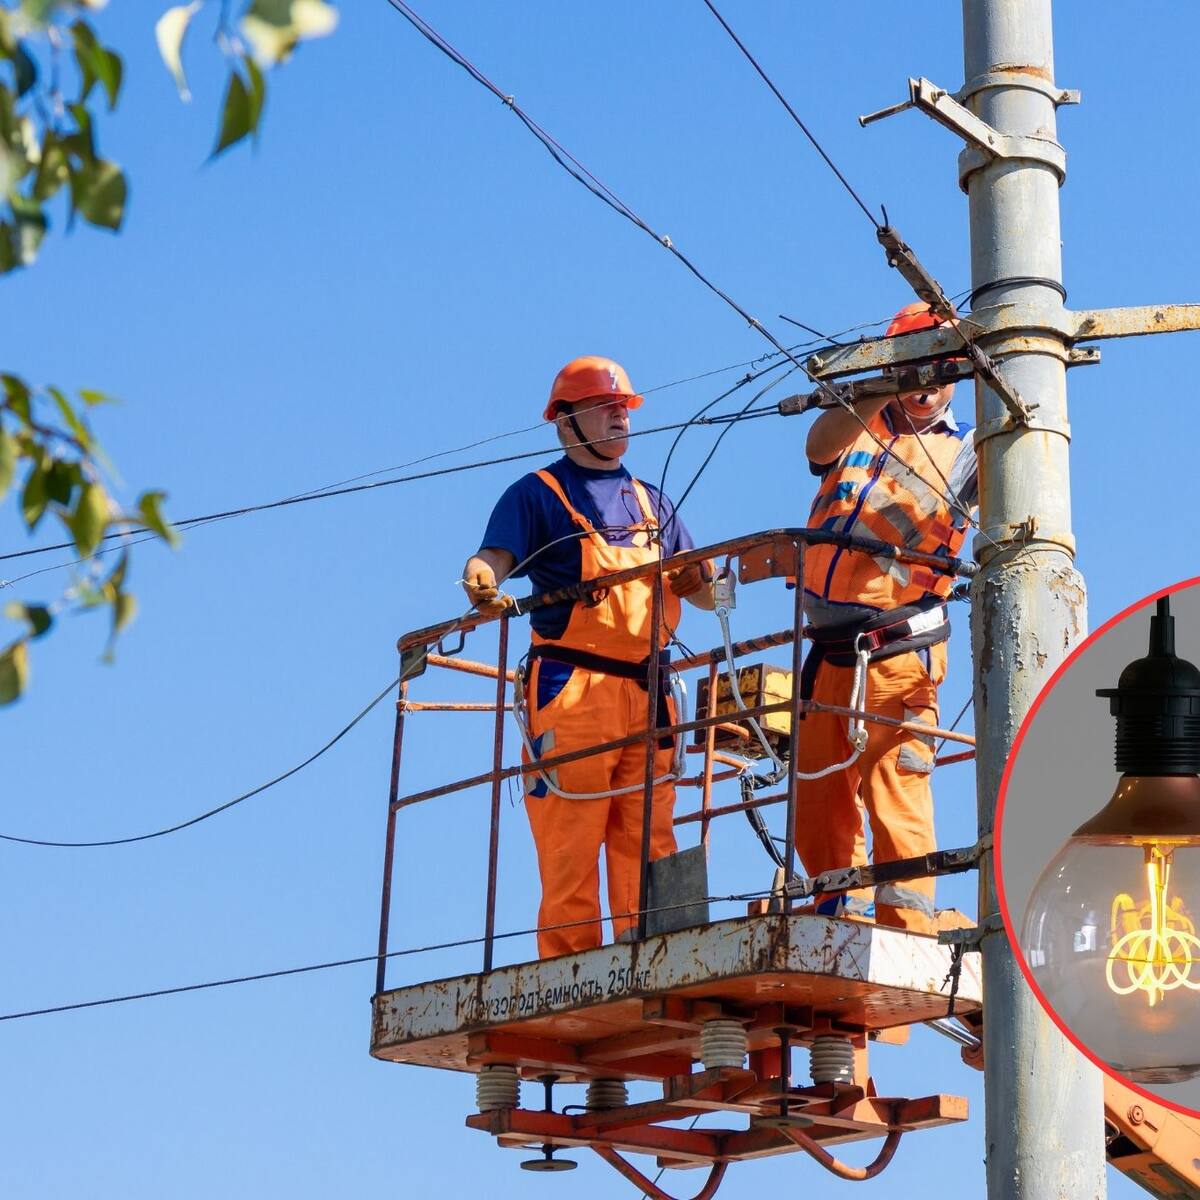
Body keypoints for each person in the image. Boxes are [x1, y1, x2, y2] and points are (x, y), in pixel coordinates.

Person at [462, 356, 713, 958]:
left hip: (648, 695)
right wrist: (480, 579)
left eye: (623, 406)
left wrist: (711, 580)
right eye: (606, 406)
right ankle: (573, 970)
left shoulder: (654, 504)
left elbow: (701, 592)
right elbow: (492, 561)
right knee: (571, 836)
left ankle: (649, 958)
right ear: (566, 422)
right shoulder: (538, 495)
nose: (620, 415)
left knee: (648, 835)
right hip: (572, 690)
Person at [792, 302, 978, 934]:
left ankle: (909, 934)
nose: (926, 383)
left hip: (899, 653)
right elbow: (816, 445)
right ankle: (834, 919)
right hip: (829, 656)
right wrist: (880, 382)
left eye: (940, 367)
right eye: (915, 364)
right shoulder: (856, 424)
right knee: (817, 801)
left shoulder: (971, 451)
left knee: (897, 795)